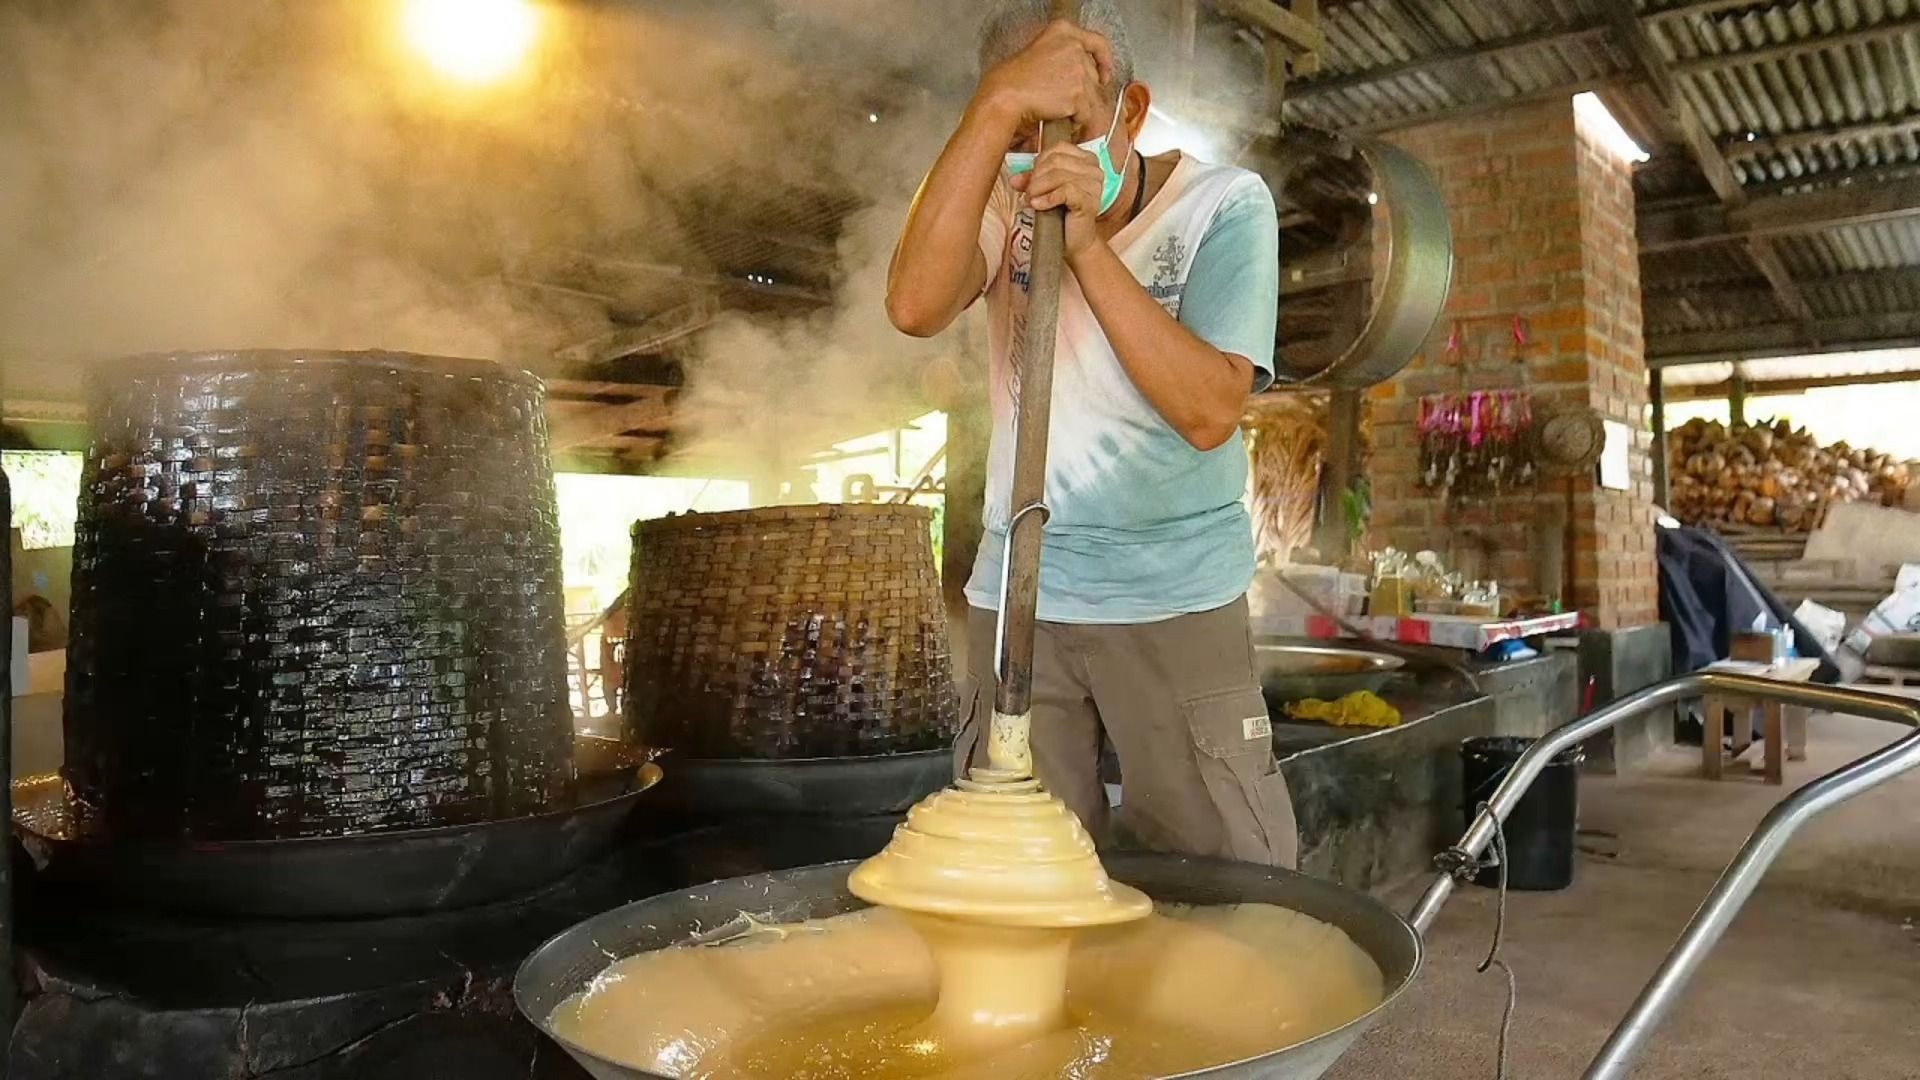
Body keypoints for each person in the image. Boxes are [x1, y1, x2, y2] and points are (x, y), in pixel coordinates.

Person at [886, 0, 1293, 866]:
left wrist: (1089, 247)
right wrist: (994, 111)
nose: (1040, 161)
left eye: (1068, 128)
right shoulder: (1003, 196)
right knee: (1021, 876)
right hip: (1020, 596)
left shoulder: (1224, 206)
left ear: (1132, 113)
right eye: (1020, 135)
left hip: (1174, 597)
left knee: (1222, 874)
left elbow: (1209, 410)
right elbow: (915, 305)